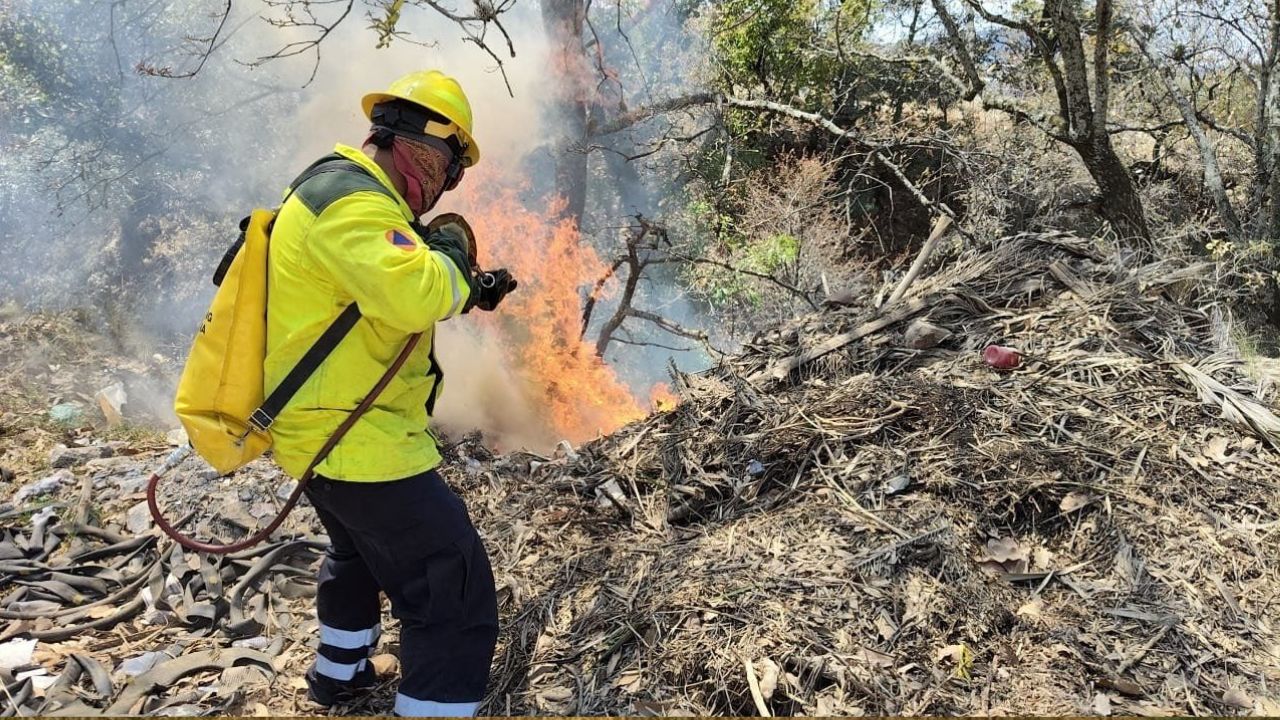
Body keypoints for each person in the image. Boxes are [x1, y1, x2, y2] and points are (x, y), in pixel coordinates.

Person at [263, 70, 515, 716]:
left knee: (359, 553)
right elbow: (415, 291)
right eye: (450, 171)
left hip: (323, 435)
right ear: (423, 150)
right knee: (451, 586)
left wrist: (471, 286)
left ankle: (339, 673)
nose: (445, 188)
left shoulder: (344, 195)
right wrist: (453, 250)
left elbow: (384, 284)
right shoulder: (351, 202)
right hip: (359, 440)